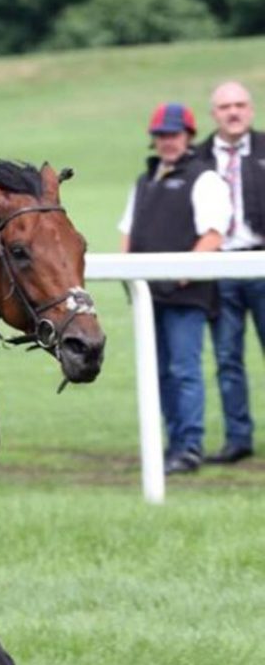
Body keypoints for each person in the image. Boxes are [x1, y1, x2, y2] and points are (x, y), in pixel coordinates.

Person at [119, 102, 231, 475]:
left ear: (188, 137)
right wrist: (129, 273)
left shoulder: (205, 178)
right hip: (149, 294)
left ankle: (189, 446)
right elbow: (128, 232)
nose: (168, 141)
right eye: (162, 135)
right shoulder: (145, 180)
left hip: (186, 294)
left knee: (184, 370)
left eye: (174, 134)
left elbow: (213, 235)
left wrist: (178, 275)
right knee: (159, 372)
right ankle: (171, 443)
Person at [200, 81, 265, 464]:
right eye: (226, 107)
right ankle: (238, 438)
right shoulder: (198, 158)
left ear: (251, 110)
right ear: (215, 114)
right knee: (227, 357)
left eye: (240, 104)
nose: (234, 112)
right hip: (220, 266)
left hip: (262, 262)